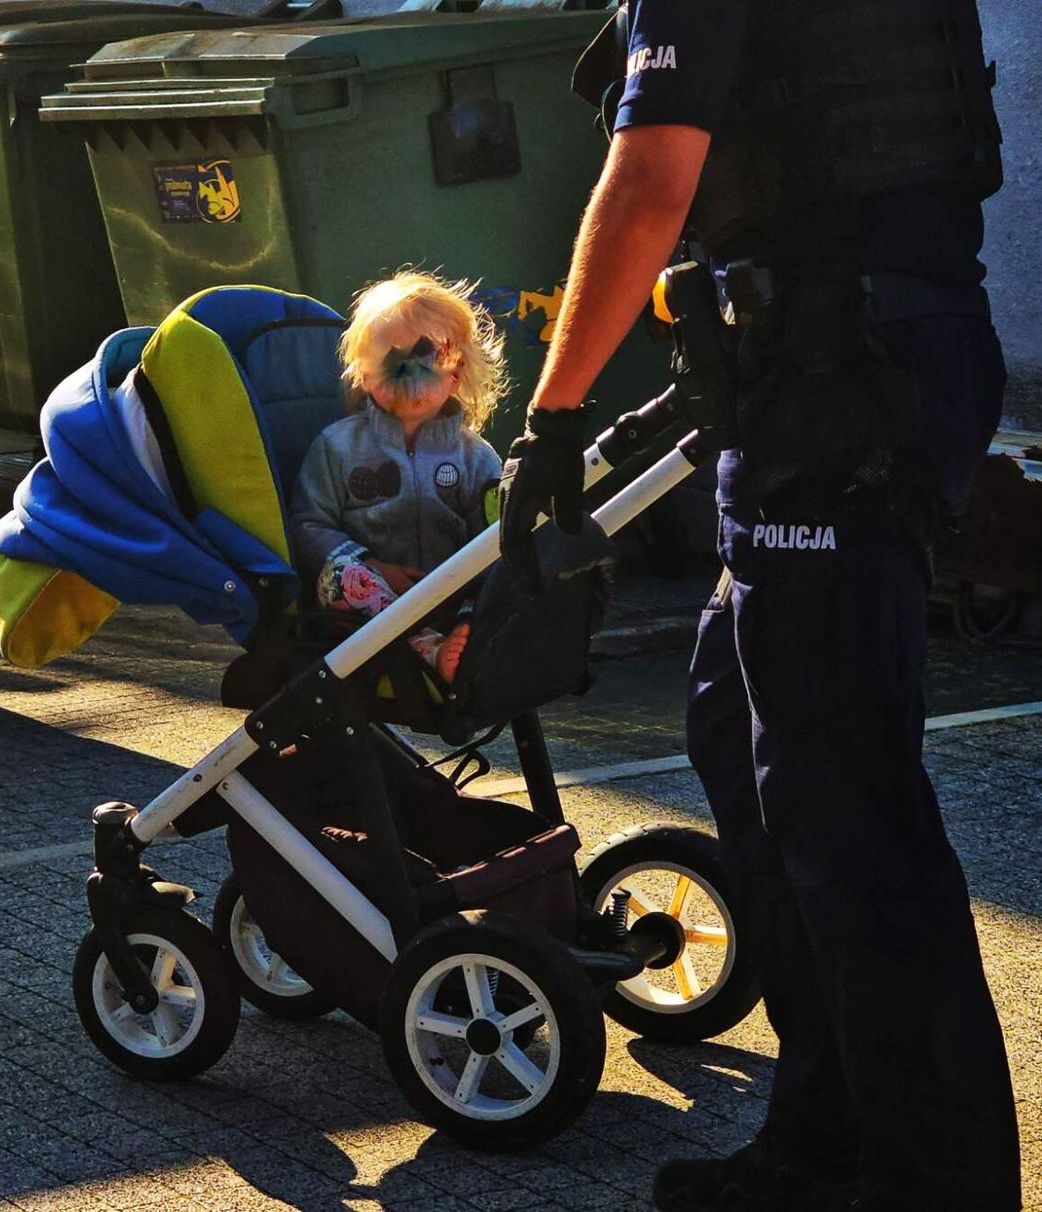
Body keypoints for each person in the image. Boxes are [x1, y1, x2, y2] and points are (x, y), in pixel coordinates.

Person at [498, 2, 1021, 1210]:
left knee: (846, 809)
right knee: (737, 734)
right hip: (841, 364)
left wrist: (556, 411)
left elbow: (651, 177)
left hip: (839, 382)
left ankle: (930, 1183)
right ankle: (825, 1139)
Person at [291, 270, 505, 682]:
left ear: (455, 375)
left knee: (501, 563)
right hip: (368, 604)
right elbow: (307, 523)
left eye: (427, 362)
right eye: (392, 363)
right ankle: (427, 647)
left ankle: (465, 631)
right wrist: (372, 563)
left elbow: (492, 536)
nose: (409, 377)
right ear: (365, 376)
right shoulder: (337, 447)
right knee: (340, 577)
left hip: (449, 592)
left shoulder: (473, 456)